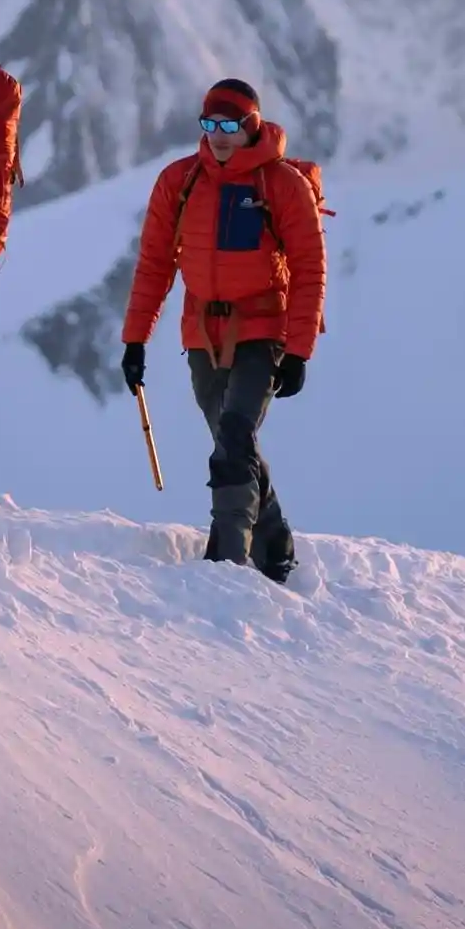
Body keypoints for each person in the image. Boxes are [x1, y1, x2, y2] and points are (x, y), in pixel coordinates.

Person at [118, 78, 325, 582]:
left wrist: (299, 351)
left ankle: (226, 563)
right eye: (209, 124)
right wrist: (135, 339)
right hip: (202, 335)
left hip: (264, 329)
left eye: (230, 126)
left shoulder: (282, 185)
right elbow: (155, 265)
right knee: (235, 445)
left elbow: (309, 269)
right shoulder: (180, 181)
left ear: (252, 125)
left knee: (233, 436)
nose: (218, 135)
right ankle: (276, 550)